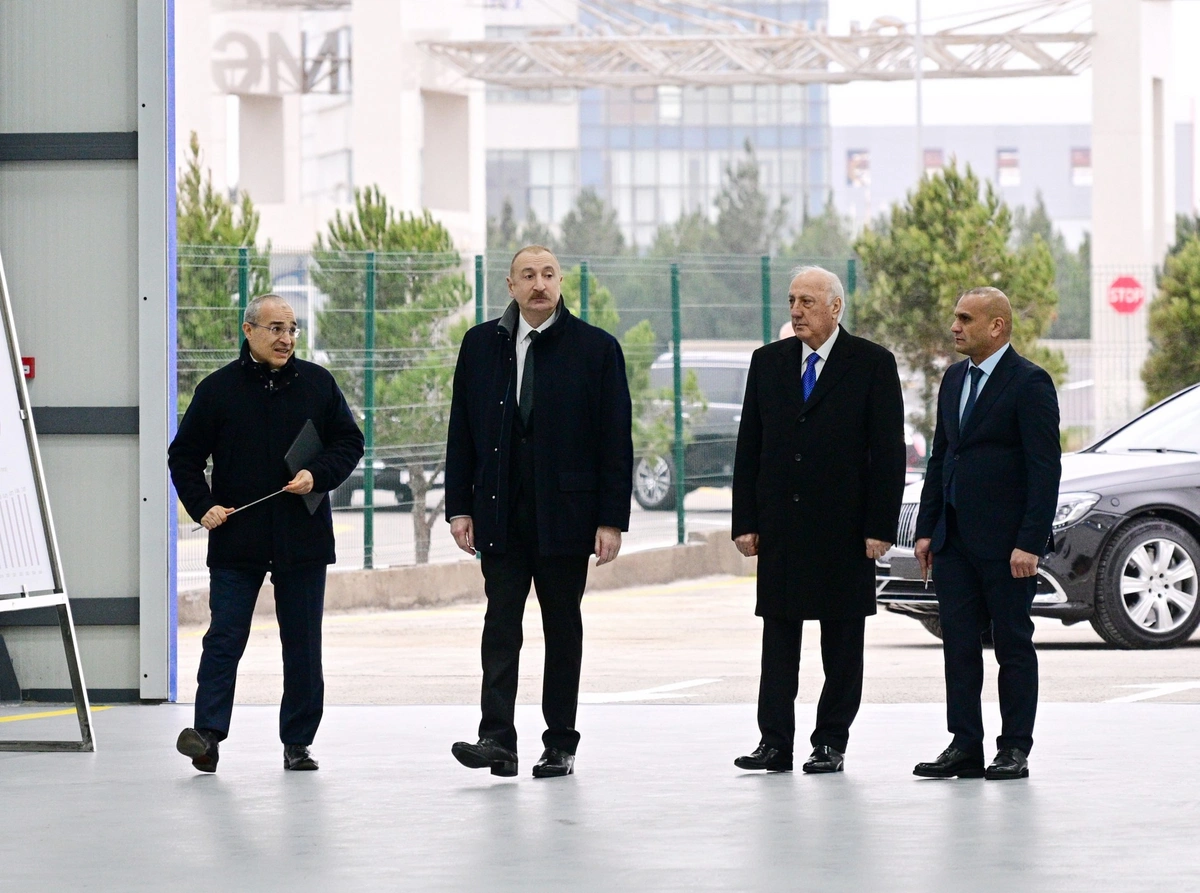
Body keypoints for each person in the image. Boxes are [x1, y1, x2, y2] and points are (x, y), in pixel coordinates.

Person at [444, 245, 633, 779]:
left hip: (567, 517)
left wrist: (610, 519)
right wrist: (459, 507)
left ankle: (560, 744)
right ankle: (496, 740)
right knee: (500, 627)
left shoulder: (596, 348)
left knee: (562, 631)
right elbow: (461, 431)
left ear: (560, 282)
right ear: (511, 286)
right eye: (528, 275)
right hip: (499, 514)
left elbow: (615, 441)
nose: (539, 284)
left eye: (548, 274)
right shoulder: (480, 344)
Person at [168, 294, 363, 773]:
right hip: (238, 539)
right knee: (224, 639)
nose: (286, 339)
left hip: (303, 536)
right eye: (276, 329)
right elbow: (184, 456)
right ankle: (207, 736)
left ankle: (298, 742)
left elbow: (349, 442)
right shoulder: (217, 390)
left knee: (303, 645)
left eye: (292, 330)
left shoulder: (318, 383)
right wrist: (203, 506)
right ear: (248, 330)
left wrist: (317, 474)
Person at [731, 266, 906, 774]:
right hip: (781, 527)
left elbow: (887, 453)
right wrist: (745, 520)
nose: (796, 311)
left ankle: (830, 741)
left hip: (844, 531)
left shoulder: (872, 363)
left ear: (835, 307)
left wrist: (880, 526)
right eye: (792, 300)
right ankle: (774, 742)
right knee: (778, 640)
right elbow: (749, 446)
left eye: (807, 301)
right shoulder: (768, 362)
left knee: (842, 643)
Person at [912, 287, 1061, 781]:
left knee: (1012, 644)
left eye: (965, 318)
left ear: (997, 326)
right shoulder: (954, 378)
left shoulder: (1030, 382)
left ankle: (1014, 747)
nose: (954, 327)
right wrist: (928, 529)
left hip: (1007, 546)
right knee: (957, 646)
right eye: (955, 317)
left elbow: (1045, 470)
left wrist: (1030, 542)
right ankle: (964, 745)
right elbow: (941, 457)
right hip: (953, 541)